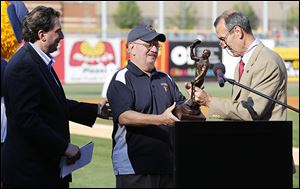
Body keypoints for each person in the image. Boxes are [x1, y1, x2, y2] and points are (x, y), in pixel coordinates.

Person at [2, 6, 110, 188]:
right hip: (30, 173)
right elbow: (26, 119)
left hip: (42, 169)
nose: (62, 36)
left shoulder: (36, 61)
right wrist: (63, 147)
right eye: (58, 31)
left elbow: (54, 104)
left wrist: (95, 110)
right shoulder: (24, 65)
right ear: (42, 34)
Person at [106, 24, 201, 188]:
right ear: (132, 48)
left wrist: (193, 100)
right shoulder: (122, 78)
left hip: (167, 165)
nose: (154, 49)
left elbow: (180, 110)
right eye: (148, 44)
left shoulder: (165, 78)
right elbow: (123, 116)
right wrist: (160, 119)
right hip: (134, 167)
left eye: (157, 45)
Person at [197, 10, 288, 121]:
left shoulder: (267, 61)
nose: (223, 46)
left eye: (223, 39)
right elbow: (238, 109)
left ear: (238, 31)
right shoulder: (242, 64)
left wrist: (209, 101)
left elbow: (251, 112)